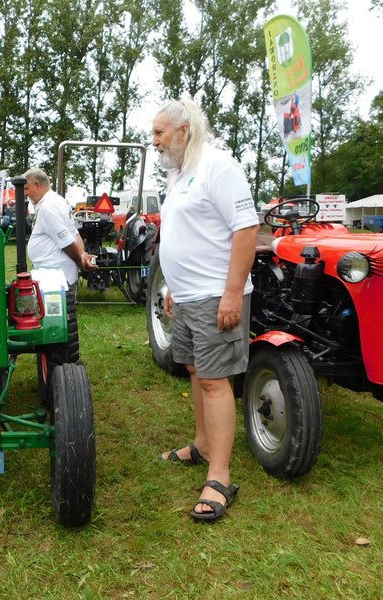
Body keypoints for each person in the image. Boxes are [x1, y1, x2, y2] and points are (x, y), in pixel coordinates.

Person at [153, 98, 259, 523]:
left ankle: (220, 477)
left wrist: (233, 293)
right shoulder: (179, 174)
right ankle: (201, 445)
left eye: (160, 132)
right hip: (188, 296)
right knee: (197, 372)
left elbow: (246, 230)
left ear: (184, 130)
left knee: (216, 382)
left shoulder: (218, 166)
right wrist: (173, 287)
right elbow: (185, 235)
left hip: (217, 296)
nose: (154, 140)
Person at [22, 167, 96, 362]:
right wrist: (82, 255)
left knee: (59, 325)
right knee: (65, 321)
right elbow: (76, 234)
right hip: (57, 275)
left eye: (27, 188)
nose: (26, 193)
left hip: (56, 278)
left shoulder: (47, 207)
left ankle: (63, 364)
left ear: (37, 185)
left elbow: (67, 242)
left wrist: (80, 260)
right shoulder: (59, 201)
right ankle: (64, 359)